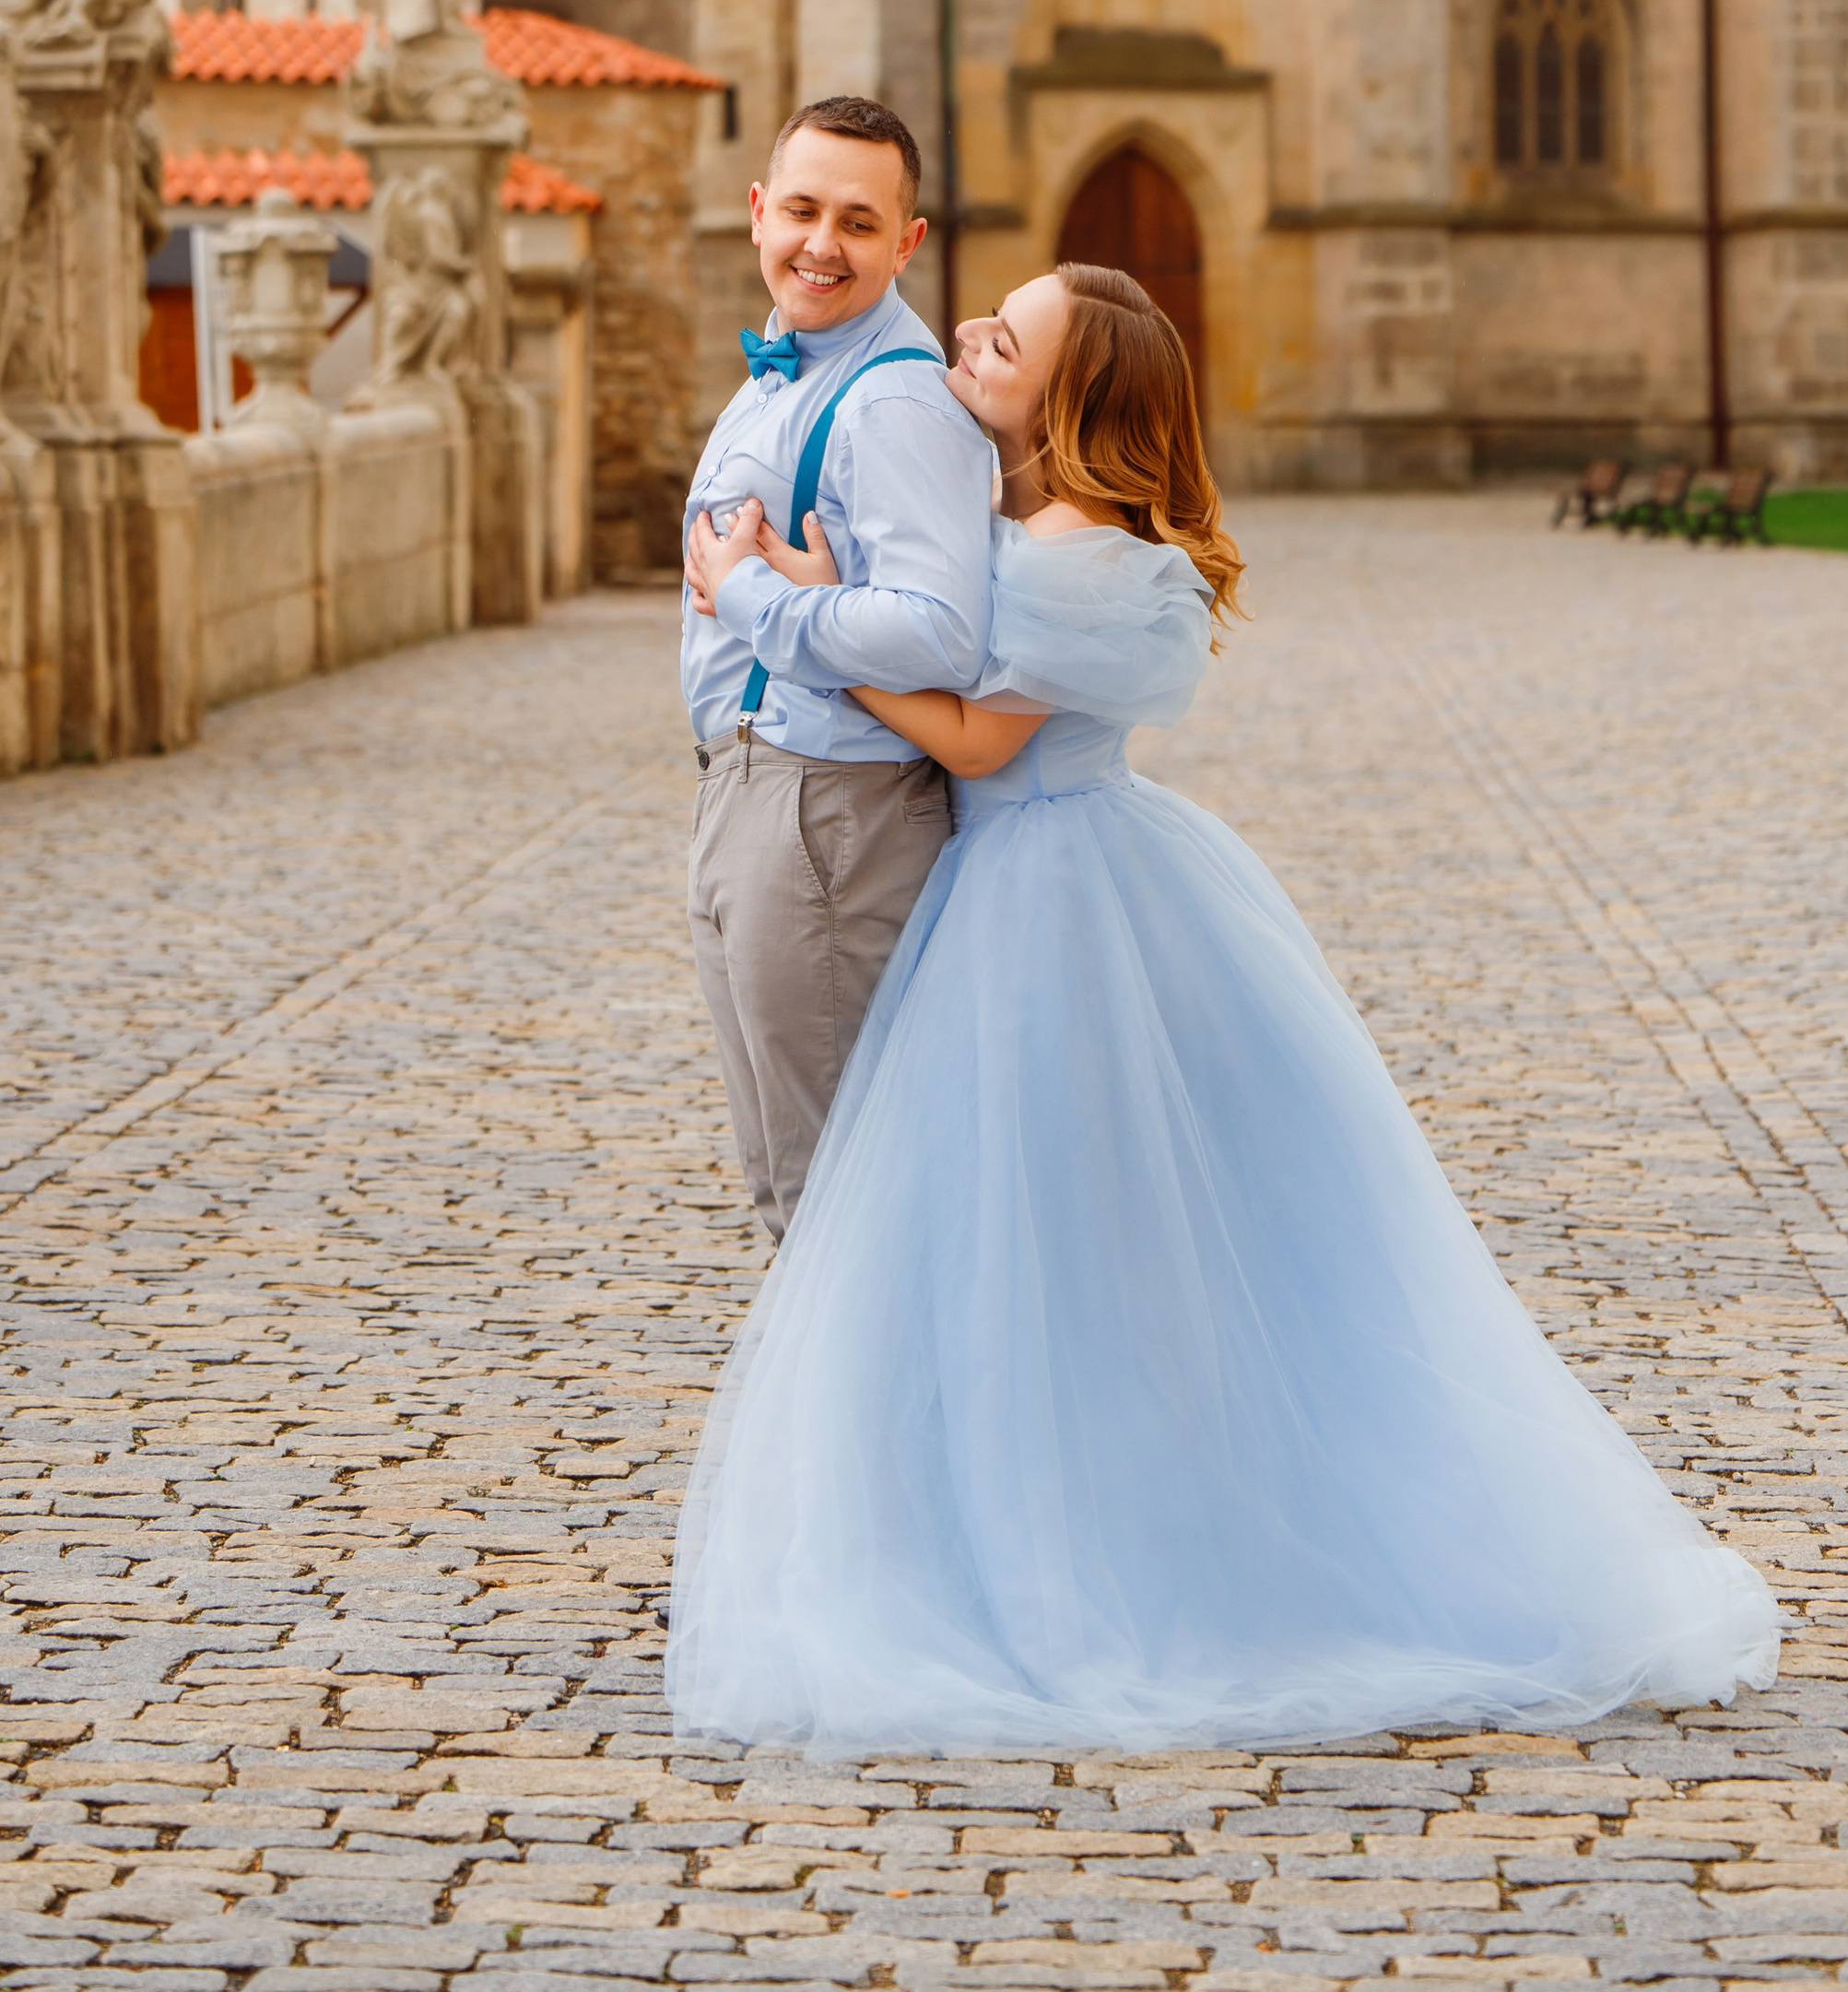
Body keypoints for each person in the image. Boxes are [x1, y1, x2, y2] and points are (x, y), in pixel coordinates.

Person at [670, 264, 1780, 1753]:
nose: (971, 340)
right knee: (1052, 1239)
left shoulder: (1077, 559)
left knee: (1059, 1238)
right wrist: (831, 600)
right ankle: (1021, 1510)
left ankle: (1110, 1550)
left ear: (1070, 400)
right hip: (1040, 878)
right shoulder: (1045, 529)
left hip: (1048, 895)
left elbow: (978, 745)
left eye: (1007, 341)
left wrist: (768, 606)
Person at [678, 94, 994, 1240]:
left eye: (859, 223)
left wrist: (752, 600)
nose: (822, 243)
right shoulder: (790, 368)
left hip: (826, 811)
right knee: (786, 1179)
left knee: (829, 1193)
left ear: (907, 243)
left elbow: (941, 632)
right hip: (756, 794)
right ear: (758, 211)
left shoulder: (895, 401)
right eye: (802, 210)